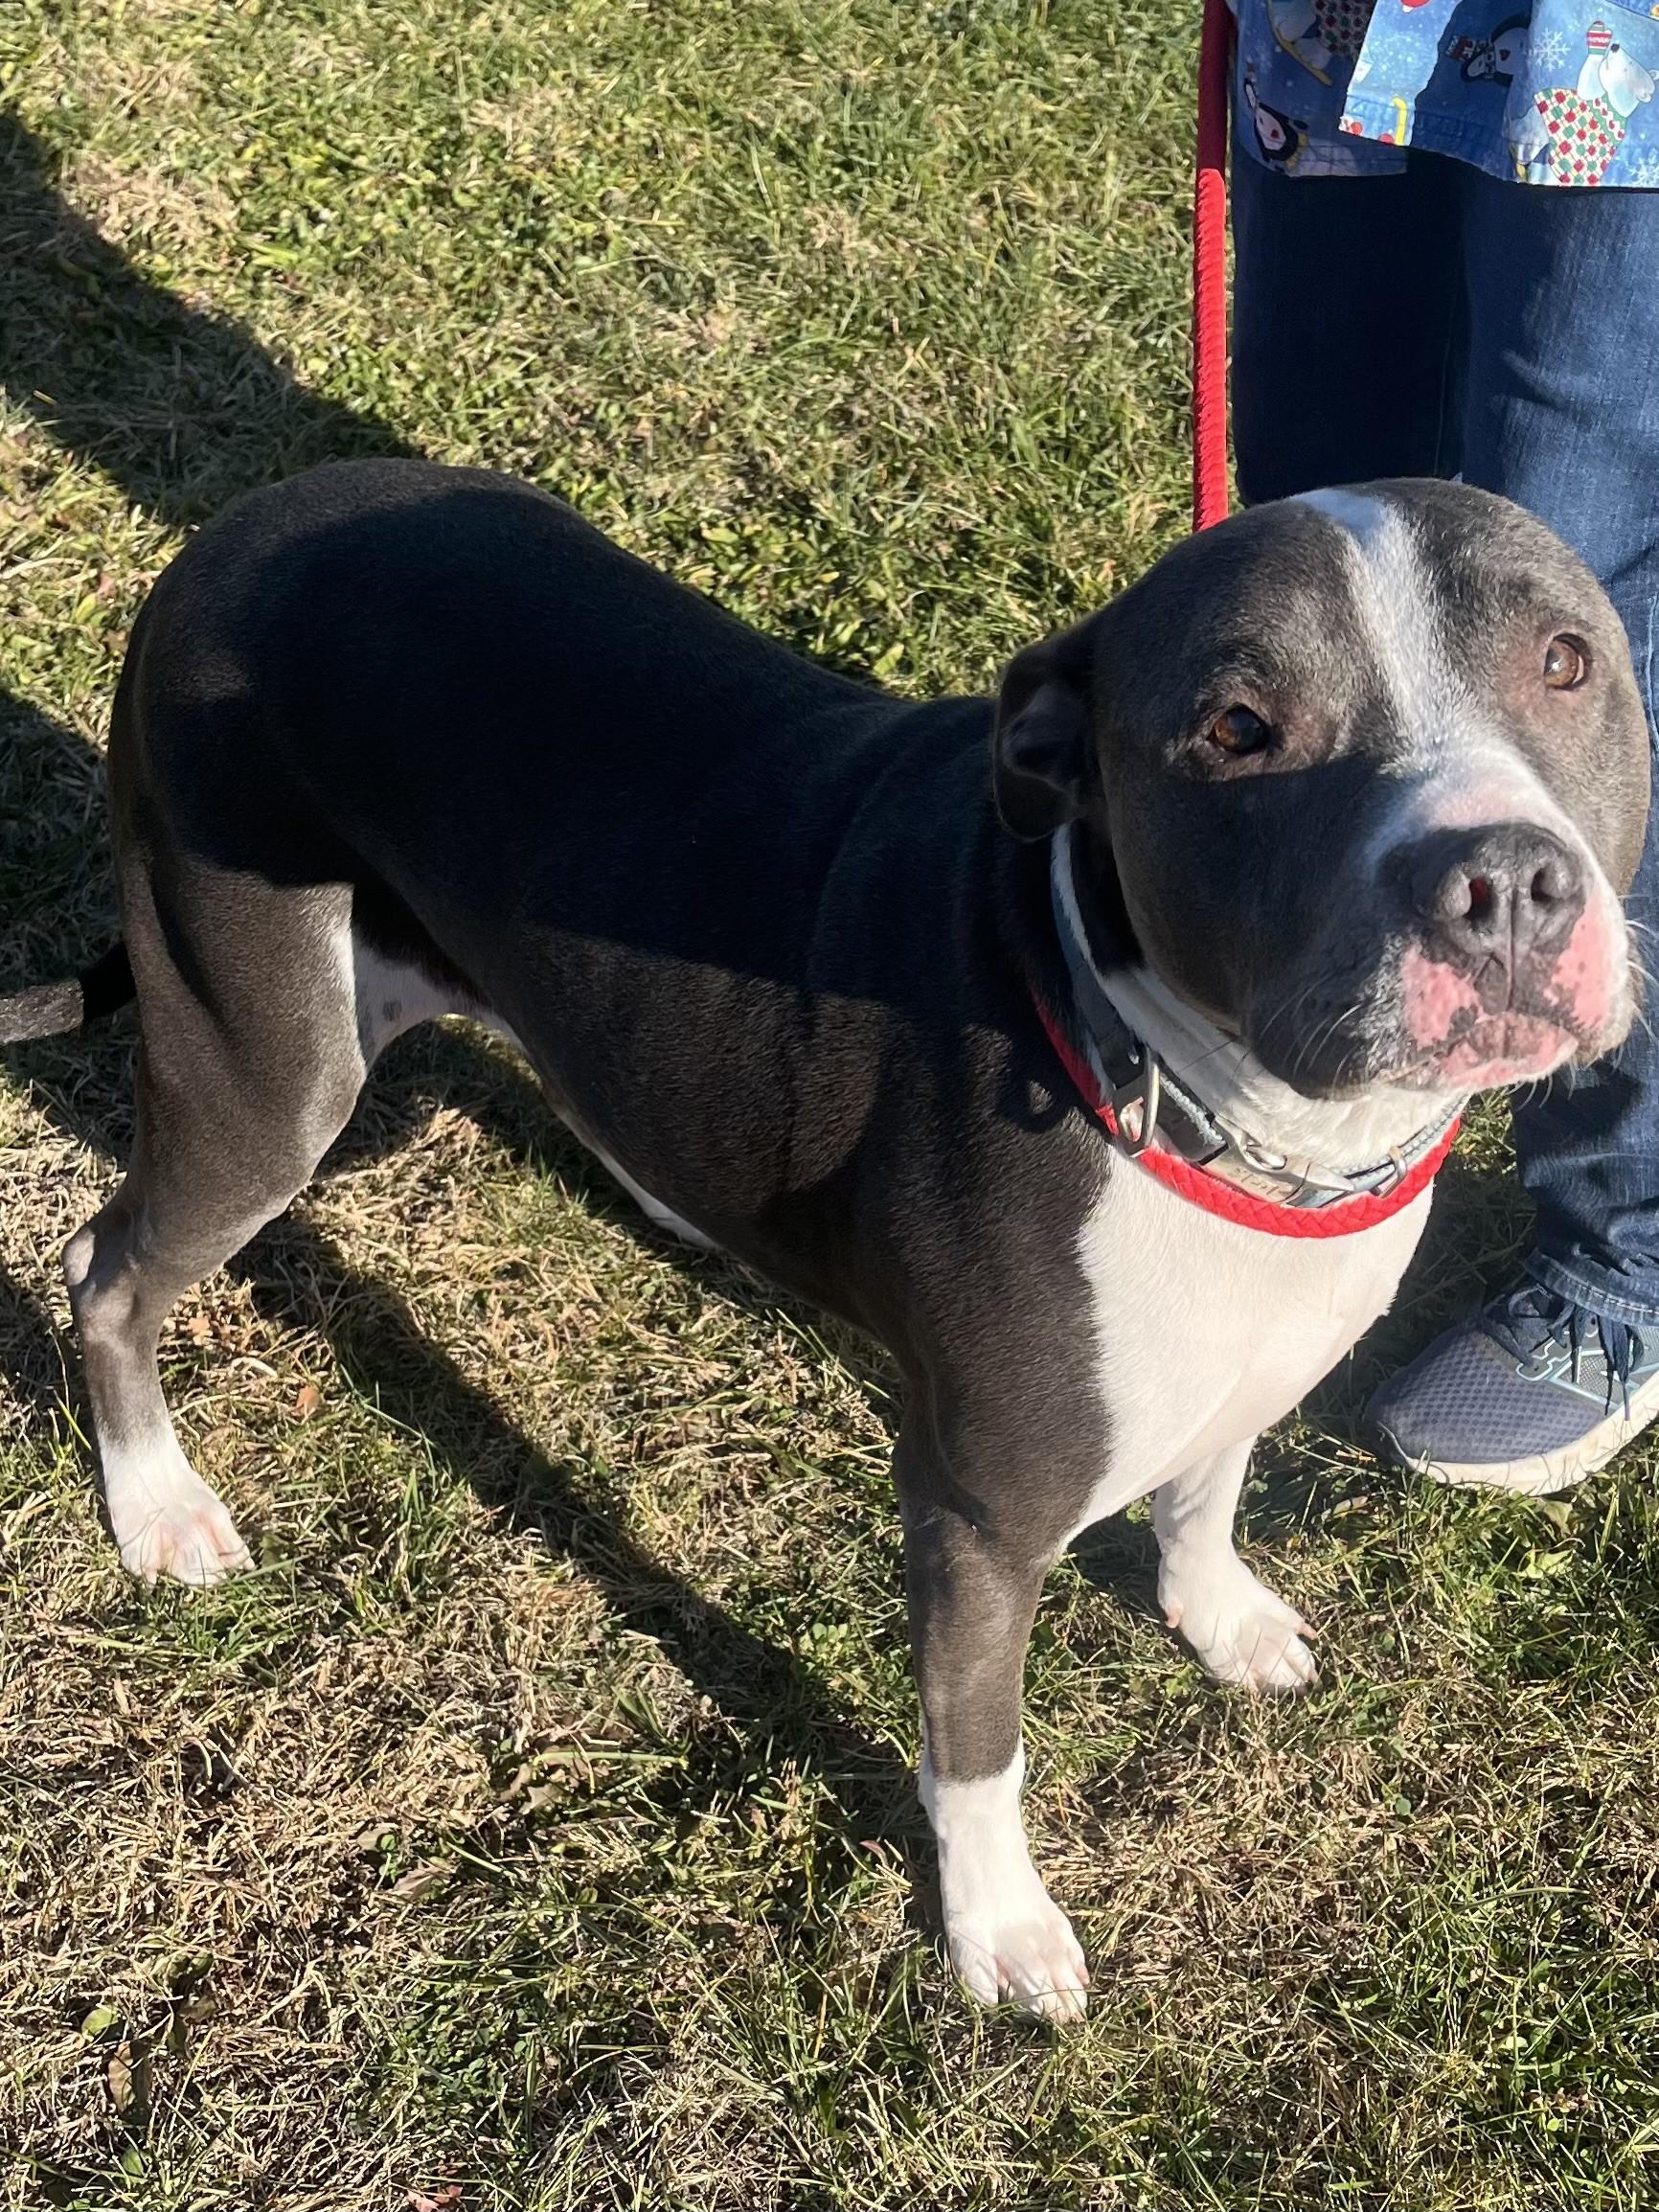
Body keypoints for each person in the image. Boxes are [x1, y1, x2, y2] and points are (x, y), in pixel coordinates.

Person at [1228, 0, 1659, 1493]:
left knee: (1572, 607)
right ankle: (1325, 1064)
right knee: (1308, 545)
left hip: (1615, 48)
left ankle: (1628, 1251)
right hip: (1341, 29)